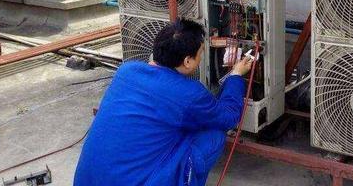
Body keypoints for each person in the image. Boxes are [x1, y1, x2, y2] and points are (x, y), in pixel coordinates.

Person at [74, 19, 253, 186]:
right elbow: (229, 117)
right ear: (188, 61)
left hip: (86, 180)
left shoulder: (126, 71)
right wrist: (235, 76)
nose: (200, 59)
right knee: (214, 135)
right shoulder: (189, 93)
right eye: (200, 54)